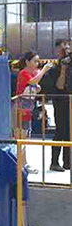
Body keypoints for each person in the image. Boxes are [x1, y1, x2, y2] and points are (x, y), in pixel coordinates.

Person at [16, 52, 53, 174]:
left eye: (38, 61)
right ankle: (22, 165)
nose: (37, 64)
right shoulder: (24, 73)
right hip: (21, 109)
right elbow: (32, 82)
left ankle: (23, 164)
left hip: (28, 108)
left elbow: (34, 86)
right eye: (35, 61)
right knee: (21, 138)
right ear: (27, 61)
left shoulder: (32, 74)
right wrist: (43, 71)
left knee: (25, 137)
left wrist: (37, 87)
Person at [41, 39, 72, 171]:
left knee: (69, 132)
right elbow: (60, 86)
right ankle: (54, 162)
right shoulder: (56, 68)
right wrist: (63, 69)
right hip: (61, 103)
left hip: (69, 102)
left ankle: (67, 162)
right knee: (60, 131)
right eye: (64, 46)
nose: (67, 48)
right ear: (58, 50)